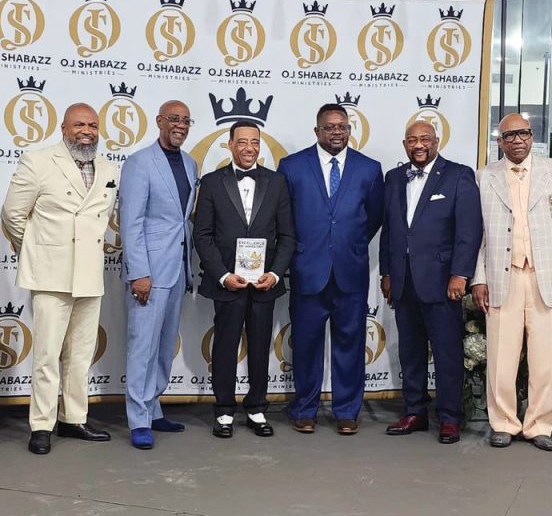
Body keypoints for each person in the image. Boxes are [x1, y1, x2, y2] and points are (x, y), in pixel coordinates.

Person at [1, 103, 118, 455]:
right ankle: (41, 425)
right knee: (47, 356)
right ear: (64, 129)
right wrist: (38, 248)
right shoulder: (38, 162)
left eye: (93, 125)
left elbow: (102, 219)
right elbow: (12, 215)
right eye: (79, 124)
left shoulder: (109, 168)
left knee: (80, 354)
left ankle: (74, 418)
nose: (87, 130)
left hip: (89, 274)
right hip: (51, 274)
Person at [471, 113, 552, 452]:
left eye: (523, 134)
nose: (517, 140)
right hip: (501, 277)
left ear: (533, 137)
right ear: (500, 142)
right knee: (501, 357)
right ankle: (503, 422)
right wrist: (479, 279)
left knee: (544, 357)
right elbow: (476, 236)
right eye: (509, 135)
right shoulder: (484, 177)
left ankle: (538, 425)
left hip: (545, 278)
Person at [278, 103, 384, 435]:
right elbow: (284, 219)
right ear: (317, 131)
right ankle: (305, 409)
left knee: (350, 346)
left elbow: (375, 216)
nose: (336, 132)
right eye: (329, 127)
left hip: (350, 272)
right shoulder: (292, 167)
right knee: (306, 345)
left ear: (350, 129)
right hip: (308, 270)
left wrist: (347, 245)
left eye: (342, 127)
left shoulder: (369, 169)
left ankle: (347, 411)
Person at [379, 121, 482, 444]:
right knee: (410, 351)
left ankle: (450, 417)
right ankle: (415, 411)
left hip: (442, 281)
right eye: (412, 140)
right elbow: (390, 231)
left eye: (425, 139)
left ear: (437, 141)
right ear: (404, 144)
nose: (418, 145)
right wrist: (386, 273)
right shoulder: (394, 178)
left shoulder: (458, 175)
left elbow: (469, 231)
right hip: (404, 280)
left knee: (447, 353)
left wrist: (460, 274)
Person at [194, 120, 296, 438]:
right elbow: (203, 234)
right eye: (242, 142)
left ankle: (256, 409)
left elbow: (288, 235)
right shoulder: (211, 183)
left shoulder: (277, 182)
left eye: (254, 142)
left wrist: (275, 274)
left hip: (264, 283)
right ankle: (224, 411)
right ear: (230, 144)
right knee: (224, 347)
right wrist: (223, 275)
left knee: (260, 347)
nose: (249, 148)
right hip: (228, 283)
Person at [119, 100, 198, 450]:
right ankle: (138, 418)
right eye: (174, 120)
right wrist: (139, 272)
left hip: (179, 267)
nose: (180, 126)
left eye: (185, 121)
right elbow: (131, 221)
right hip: (149, 272)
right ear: (159, 122)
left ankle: (153, 408)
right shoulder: (139, 163)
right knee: (143, 347)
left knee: (164, 346)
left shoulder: (192, 163)